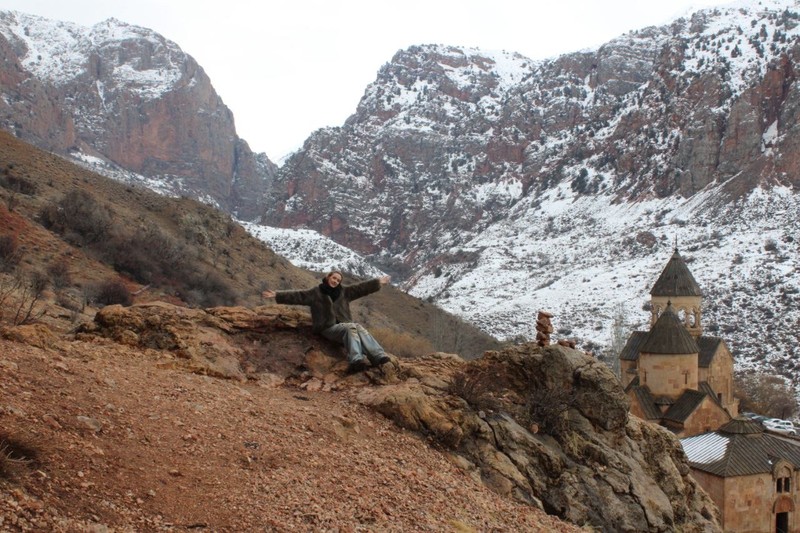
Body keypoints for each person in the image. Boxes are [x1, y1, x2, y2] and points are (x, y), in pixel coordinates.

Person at [261, 271, 392, 373]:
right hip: (327, 328)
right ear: (328, 277)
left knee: (356, 327)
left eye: (338, 280)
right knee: (352, 327)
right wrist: (277, 295)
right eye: (334, 278)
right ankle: (356, 360)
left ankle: (377, 356)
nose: (335, 281)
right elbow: (297, 296)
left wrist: (378, 282)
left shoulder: (344, 292)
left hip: (344, 328)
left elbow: (361, 288)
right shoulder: (315, 293)